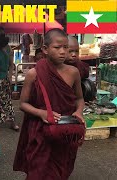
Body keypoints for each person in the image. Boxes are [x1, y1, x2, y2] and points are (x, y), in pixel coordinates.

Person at [13, 29, 85, 180]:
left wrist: (78, 112)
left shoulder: (73, 72)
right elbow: (23, 104)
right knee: (38, 171)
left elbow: (79, 98)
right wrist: (41, 113)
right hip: (40, 130)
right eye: (57, 47)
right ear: (45, 49)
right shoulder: (34, 73)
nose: (63, 52)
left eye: (65, 47)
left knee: (61, 170)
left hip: (65, 131)